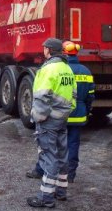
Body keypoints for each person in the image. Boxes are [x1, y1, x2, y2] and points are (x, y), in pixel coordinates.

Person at [26, 41, 94, 184]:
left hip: (58, 114)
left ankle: (41, 170)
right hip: (77, 113)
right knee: (72, 144)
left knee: (50, 146)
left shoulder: (60, 68)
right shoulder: (86, 71)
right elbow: (90, 95)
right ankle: (70, 174)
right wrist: (86, 112)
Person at [26, 38, 77, 208]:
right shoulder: (67, 69)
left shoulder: (48, 69)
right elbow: (73, 96)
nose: (43, 51)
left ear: (49, 50)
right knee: (62, 155)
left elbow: (41, 96)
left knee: (49, 156)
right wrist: (66, 113)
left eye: (44, 48)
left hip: (48, 120)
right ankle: (61, 192)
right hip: (62, 118)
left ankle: (45, 197)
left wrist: (38, 117)